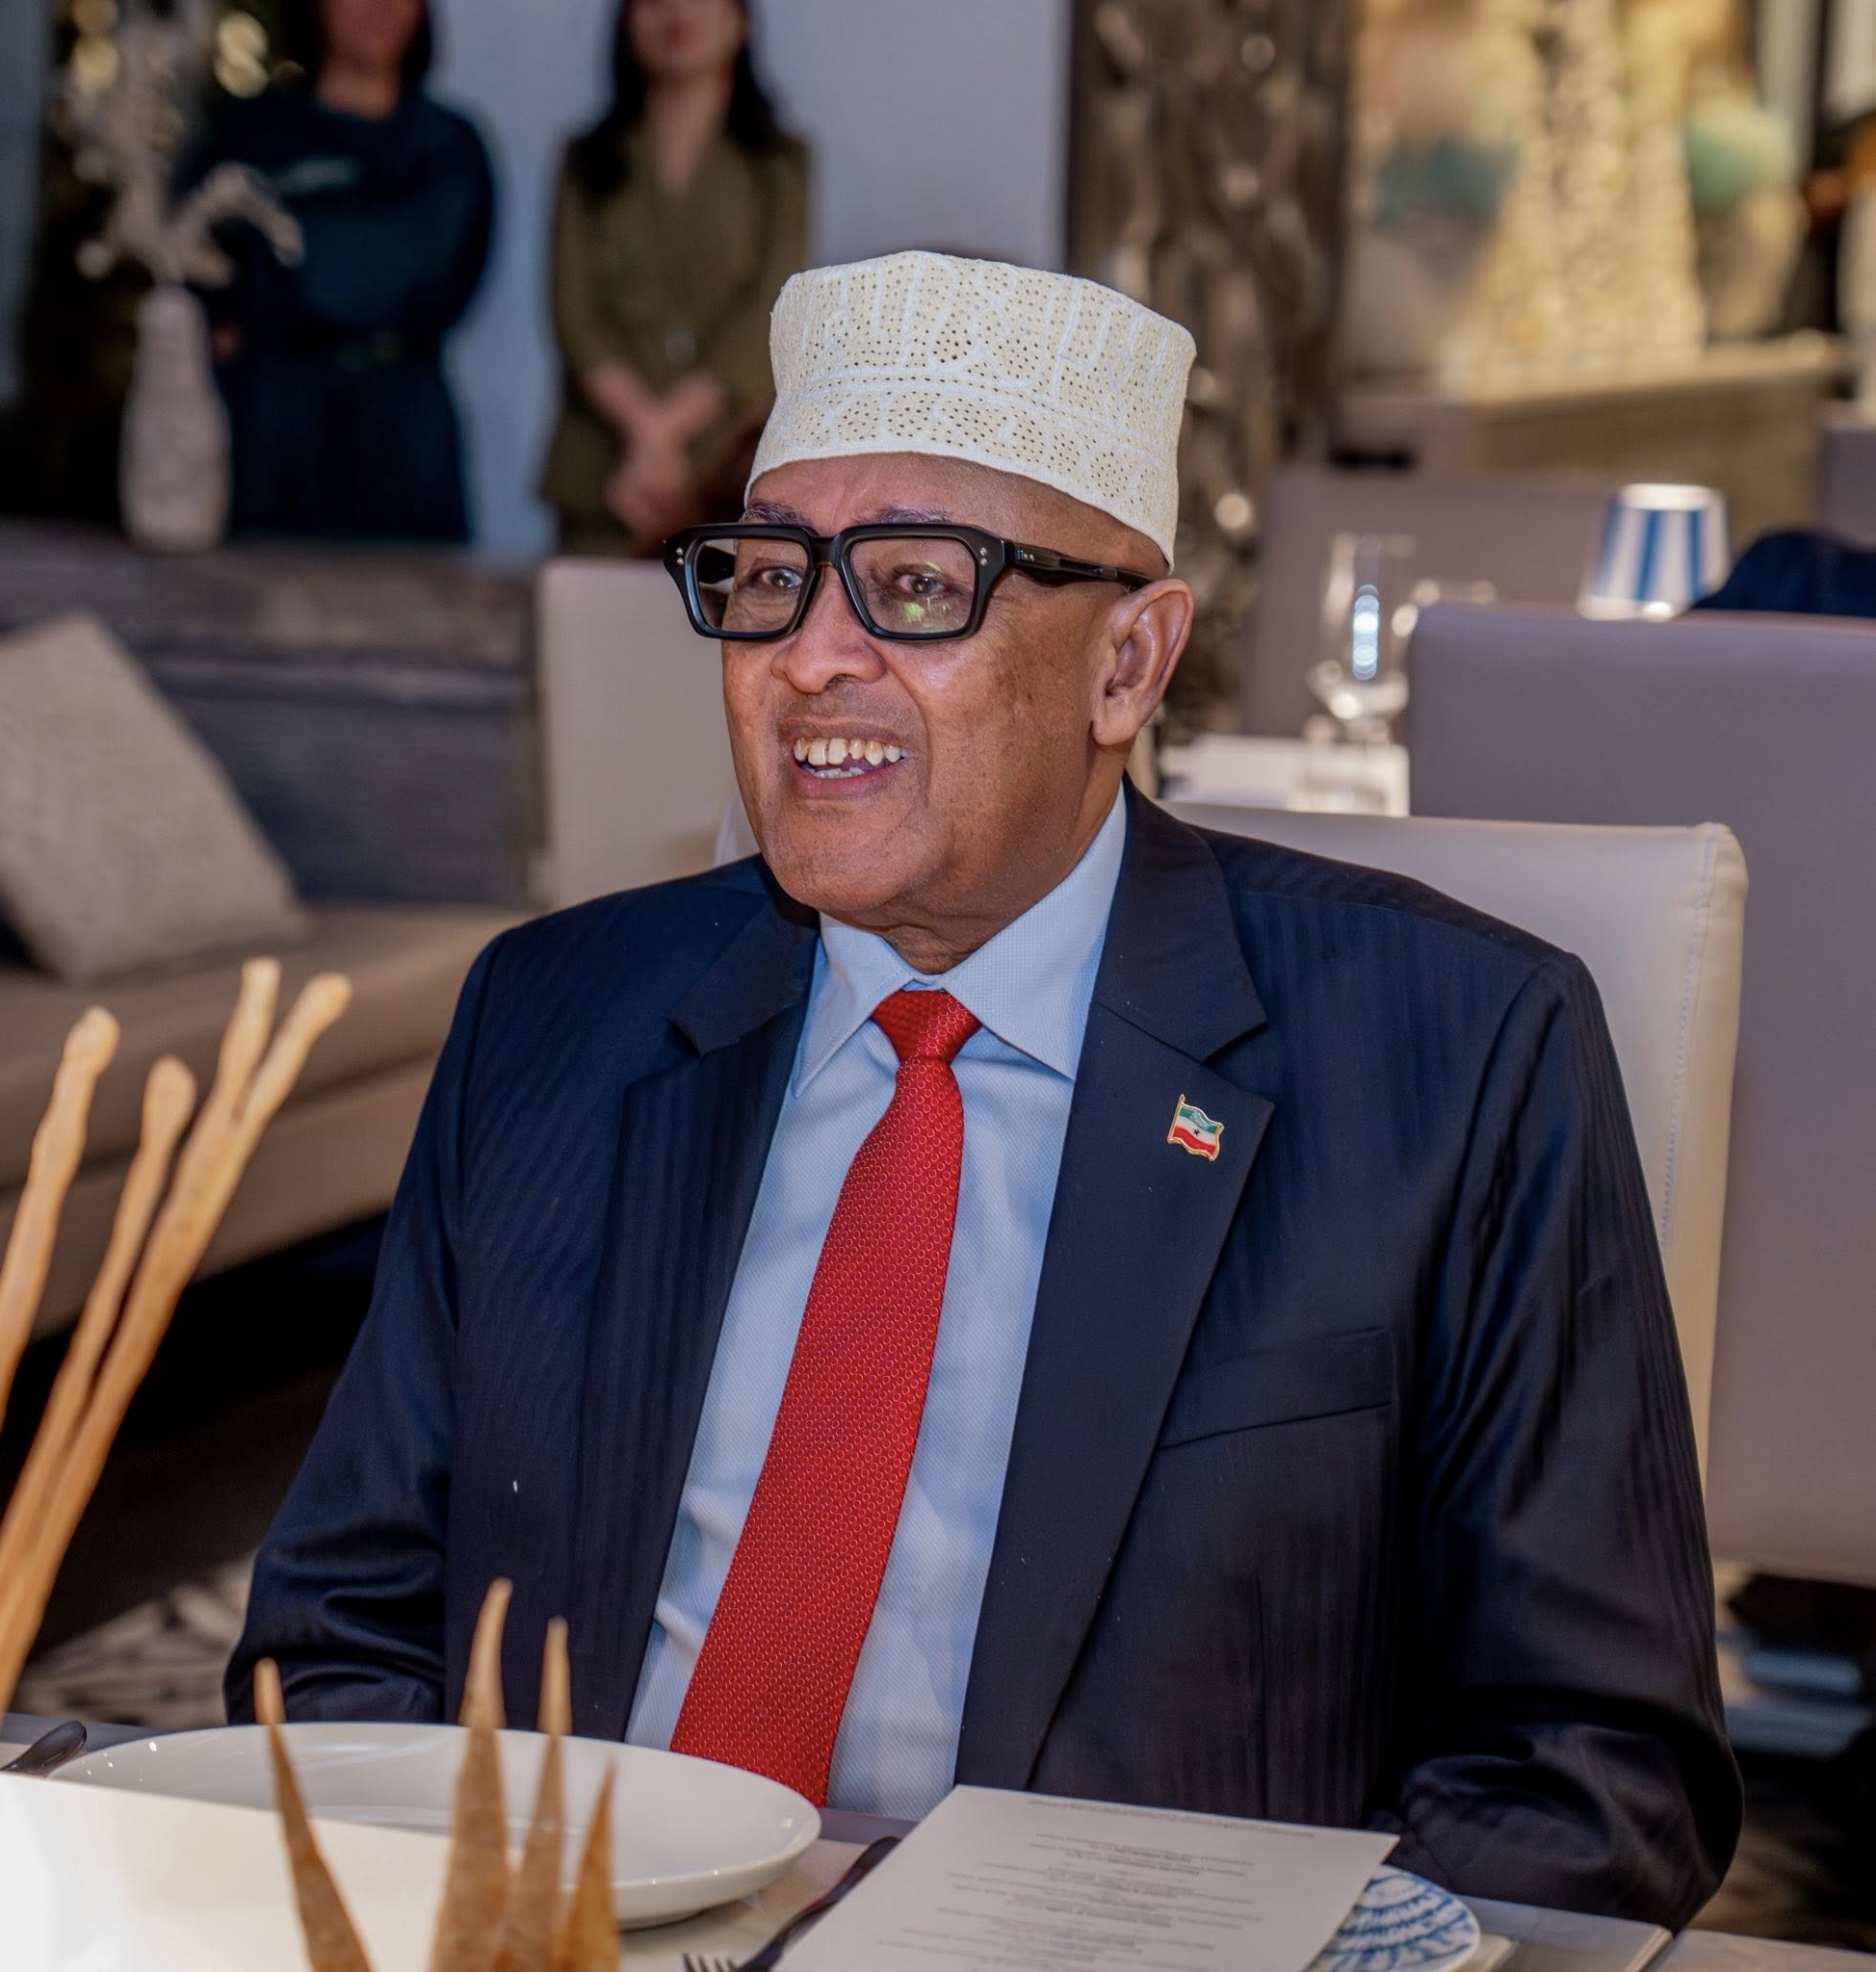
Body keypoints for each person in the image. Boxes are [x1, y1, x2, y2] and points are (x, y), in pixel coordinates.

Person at [231, 250, 1739, 1928]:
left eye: (913, 586)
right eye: (768, 576)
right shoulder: (557, 1019)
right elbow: (338, 1639)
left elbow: (1592, 1776)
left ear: (1127, 664)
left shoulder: (1454, 1056)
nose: (808, 658)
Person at [190, 0, 493, 540]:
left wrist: (280, 283)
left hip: (402, 436)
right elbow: (198, 264)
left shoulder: (448, 146)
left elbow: (427, 276)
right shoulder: (251, 135)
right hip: (270, 430)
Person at [544, 0, 807, 555]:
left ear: (740, 22)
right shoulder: (586, 159)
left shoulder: (780, 163)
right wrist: (646, 431)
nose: (677, 12)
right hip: (602, 470)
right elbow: (575, 316)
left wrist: (663, 433)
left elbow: (772, 309)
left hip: (729, 472)